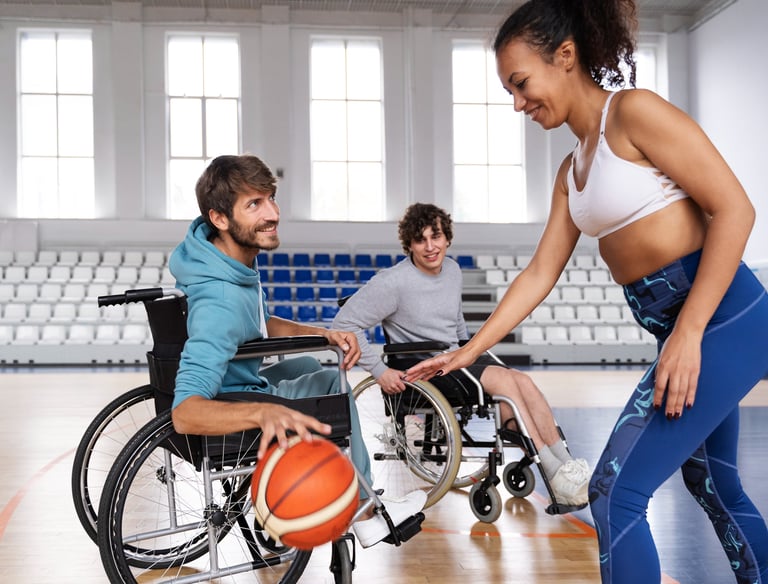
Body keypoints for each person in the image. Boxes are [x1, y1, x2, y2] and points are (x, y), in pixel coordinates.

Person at [403, 1, 768, 582]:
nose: (518, 103)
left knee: (614, 490)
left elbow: (735, 209)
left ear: (566, 56)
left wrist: (691, 332)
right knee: (712, 483)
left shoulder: (635, 113)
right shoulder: (571, 170)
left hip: (722, 319)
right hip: (687, 328)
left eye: (521, 84)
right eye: (509, 91)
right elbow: (539, 274)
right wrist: (470, 352)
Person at [169, 153, 426, 548]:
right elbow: (185, 412)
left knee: (306, 361)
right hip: (235, 399)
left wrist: (322, 333)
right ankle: (364, 511)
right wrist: (263, 410)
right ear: (219, 218)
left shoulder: (226, 263)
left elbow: (258, 324)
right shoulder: (219, 300)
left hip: (242, 378)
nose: (273, 212)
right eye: (254, 204)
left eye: (271, 197)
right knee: (328, 381)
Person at [332, 202, 589, 506]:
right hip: (422, 364)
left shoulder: (452, 269)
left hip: (454, 357)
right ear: (409, 245)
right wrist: (379, 370)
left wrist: (471, 350)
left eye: (436, 237)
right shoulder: (392, 282)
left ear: (447, 238)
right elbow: (344, 324)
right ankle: (552, 472)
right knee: (505, 384)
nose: (430, 247)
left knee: (521, 381)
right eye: (421, 240)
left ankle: (566, 464)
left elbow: (456, 321)